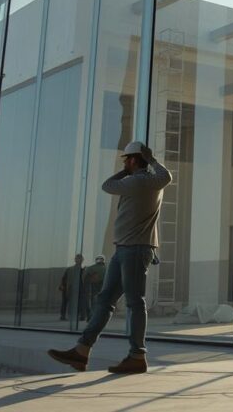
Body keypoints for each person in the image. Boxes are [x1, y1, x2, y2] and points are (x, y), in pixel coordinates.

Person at [48, 141, 171, 374]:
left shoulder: (135, 181)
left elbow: (107, 185)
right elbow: (166, 176)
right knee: (105, 300)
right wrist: (151, 160)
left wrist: (128, 170)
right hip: (126, 249)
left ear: (133, 160)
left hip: (134, 249)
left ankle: (137, 356)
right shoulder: (153, 181)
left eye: (126, 160)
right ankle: (81, 351)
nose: (123, 163)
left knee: (135, 302)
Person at [59, 254, 86, 321]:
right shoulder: (70, 269)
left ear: (82, 260)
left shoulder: (83, 270)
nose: (78, 260)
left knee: (80, 302)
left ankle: (79, 316)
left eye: (80, 259)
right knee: (65, 302)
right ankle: (63, 316)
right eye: (77, 258)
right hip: (69, 287)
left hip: (79, 289)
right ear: (75, 260)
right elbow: (64, 278)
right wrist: (62, 285)